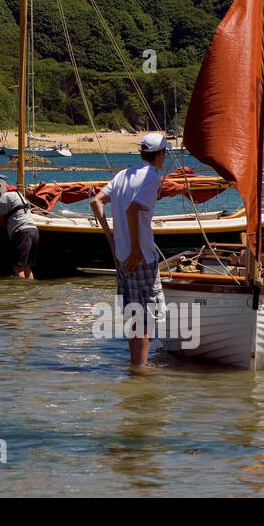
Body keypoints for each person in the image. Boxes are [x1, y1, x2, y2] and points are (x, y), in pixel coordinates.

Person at [90, 132, 171, 368]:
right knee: (147, 319)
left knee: (135, 316)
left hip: (123, 257)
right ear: (161, 154)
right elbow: (133, 210)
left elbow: (96, 201)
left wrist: (114, 243)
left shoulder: (123, 175)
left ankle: (136, 367)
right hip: (141, 257)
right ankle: (140, 370)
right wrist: (136, 250)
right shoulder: (152, 177)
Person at [0, 175, 38, 279]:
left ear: (1, 186)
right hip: (34, 231)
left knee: (18, 267)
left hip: (22, 233)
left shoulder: (6, 196)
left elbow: (0, 218)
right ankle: (31, 292)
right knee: (27, 266)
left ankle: (20, 294)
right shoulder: (19, 194)